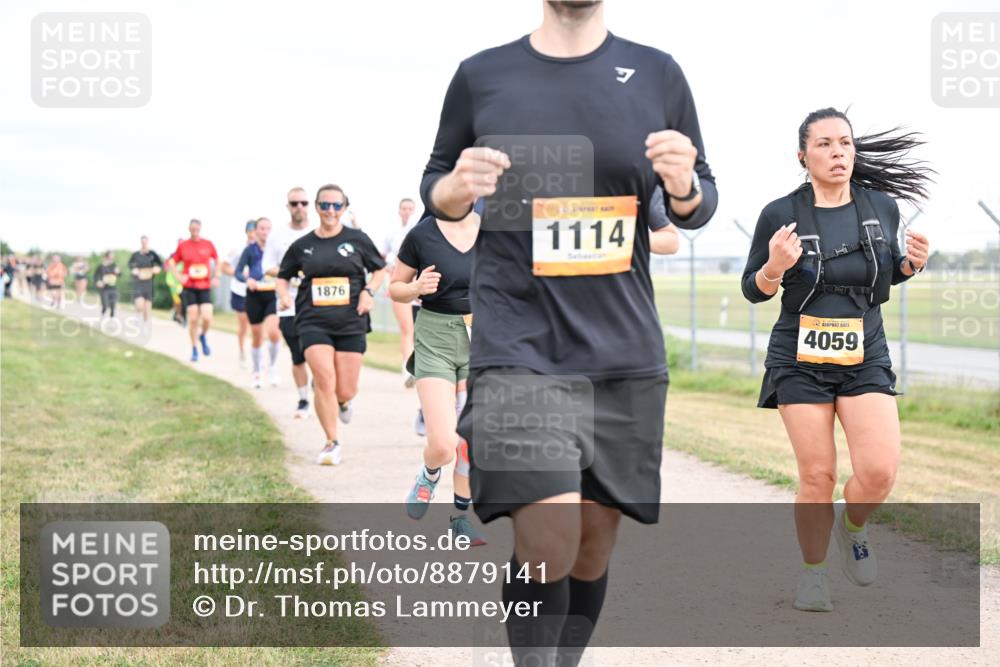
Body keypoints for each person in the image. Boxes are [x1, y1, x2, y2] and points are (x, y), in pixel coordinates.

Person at [420, 2, 716, 663]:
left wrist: (687, 186)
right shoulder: (482, 75)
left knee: (590, 545)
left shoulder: (657, 74)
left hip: (622, 353)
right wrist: (453, 191)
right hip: (519, 345)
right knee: (549, 534)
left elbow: (698, 203)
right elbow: (437, 178)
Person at [741, 107, 932, 613]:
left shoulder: (881, 207)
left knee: (879, 471)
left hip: (865, 353)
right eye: (824, 144)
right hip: (798, 359)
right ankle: (814, 575)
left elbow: (883, 278)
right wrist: (774, 268)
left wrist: (910, 265)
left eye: (845, 143)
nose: (838, 152)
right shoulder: (779, 213)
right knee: (818, 476)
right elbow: (753, 290)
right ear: (803, 156)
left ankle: (853, 527)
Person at [391, 202, 488, 546]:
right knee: (444, 445)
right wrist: (416, 288)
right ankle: (429, 474)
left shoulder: (492, 229)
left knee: (470, 440)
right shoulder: (423, 234)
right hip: (435, 339)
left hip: (481, 336)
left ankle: (460, 518)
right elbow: (394, 288)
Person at [277, 184, 387, 465]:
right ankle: (331, 442)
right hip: (313, 321)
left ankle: (343, 401)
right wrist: (282, 296)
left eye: (336, 206)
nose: (330, 211)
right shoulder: (302, 245)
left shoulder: (358, 239)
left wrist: (368, 291)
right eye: (325, 205)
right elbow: (283, 276)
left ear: (344, 208)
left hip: (351, 321)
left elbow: (379, 269)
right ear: (316, 207)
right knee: (324, 380)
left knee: (346, 389)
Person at [264, 187, 315, 419]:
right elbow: (268, 267)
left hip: (317, 304)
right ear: (288, 207)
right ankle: (304, 398)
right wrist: (290, 274)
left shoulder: (318, 232)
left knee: (319, 351)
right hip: (288, 305)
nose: (299, 208)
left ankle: (322, 388)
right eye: (294, 203)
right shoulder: (277, 236)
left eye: (303, 203)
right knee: (298, 355)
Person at [236, 217, 282, 388]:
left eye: (268, 228)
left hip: (271, 295)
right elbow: (238, 272)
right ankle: (256, 371)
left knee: (274, 332)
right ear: (255, 231)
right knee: (256, 336)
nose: (265, 232)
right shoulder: (250, 250)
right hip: (254, 295)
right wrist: (247, 280)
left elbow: (285, 268)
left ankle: (273, 366)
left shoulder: (277, 249)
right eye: (262, 228)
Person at [381, 198, 420, 390]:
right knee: (407, 329)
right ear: (399, 211)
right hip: (399, 286)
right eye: (404, 208)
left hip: (419, 287)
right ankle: (407, 370)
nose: (407, 212)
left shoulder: (419, 229)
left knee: (420, 331)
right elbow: (382, 258)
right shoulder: (392, 234)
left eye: (410, 209)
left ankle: (421, 366)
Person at [171, 219, 220, 362]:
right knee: (193, 319)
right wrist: (179, 276)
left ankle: (203, 336)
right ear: (189, 229)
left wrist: (216, 275)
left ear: (200, 228)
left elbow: (217, 260)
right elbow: (172, 262)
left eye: (197, 228)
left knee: (207, 317)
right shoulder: (183, 246)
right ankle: (194, 349)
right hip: (190, 287)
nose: (195, 230)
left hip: (204, 286)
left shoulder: (208, 244)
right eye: (192, 228)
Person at [222, 221, 257, 369]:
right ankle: (242, 352)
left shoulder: (263, 249)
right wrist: (239, 274)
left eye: (255, 230)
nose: (252, 233)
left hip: (256, 290)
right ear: (246, 232)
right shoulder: (238, 249)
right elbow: (224, 267)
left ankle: (255, 353)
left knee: (255, 324)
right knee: (244, 324)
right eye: (250, 230)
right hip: (239, 290)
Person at [128, 236, 164, 323]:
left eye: (145, 242)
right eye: (142, 242)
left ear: (148, 242)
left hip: (149, 282)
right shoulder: (136, 254)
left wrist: (158, 269)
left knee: (147, 308)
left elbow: (161, 264)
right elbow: (130, 264)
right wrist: (134, 269)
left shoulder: (152, 254)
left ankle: (145, 324)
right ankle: (138, 316)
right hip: (138, 282)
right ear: (141, 242)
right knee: (139, 304)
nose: (144, 243)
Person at [94, 251, 121, 319]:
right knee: (105, 305)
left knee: (113, 305)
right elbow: (96, 276)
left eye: (112, 257)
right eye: (110, 257)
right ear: (106, 257)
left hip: (113, 288)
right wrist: (97, 282)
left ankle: (111, 320)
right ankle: (102, 317)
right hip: (104, 289)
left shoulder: (114, 265)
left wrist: (118, 272)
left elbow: (120, 275)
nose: (111, 259)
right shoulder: (101, 266)